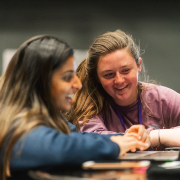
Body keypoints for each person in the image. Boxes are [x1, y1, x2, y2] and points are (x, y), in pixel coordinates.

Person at [0, 35, 150, 180]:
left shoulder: (48, 116)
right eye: (67, 77)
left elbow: (76, 138)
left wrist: (125, 139)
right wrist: (114, 146)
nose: (78, 84)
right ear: (38, 83)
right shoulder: (10, 123)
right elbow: (57, 147)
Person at [67, 29, 180, 150]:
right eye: (109, 74)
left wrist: (155, 135)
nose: (119, 80)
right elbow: (94, 142)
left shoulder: (162, 98)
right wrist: (148, 139)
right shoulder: (89, 105)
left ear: (138, 66)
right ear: (97, 78)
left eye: (125, 71)